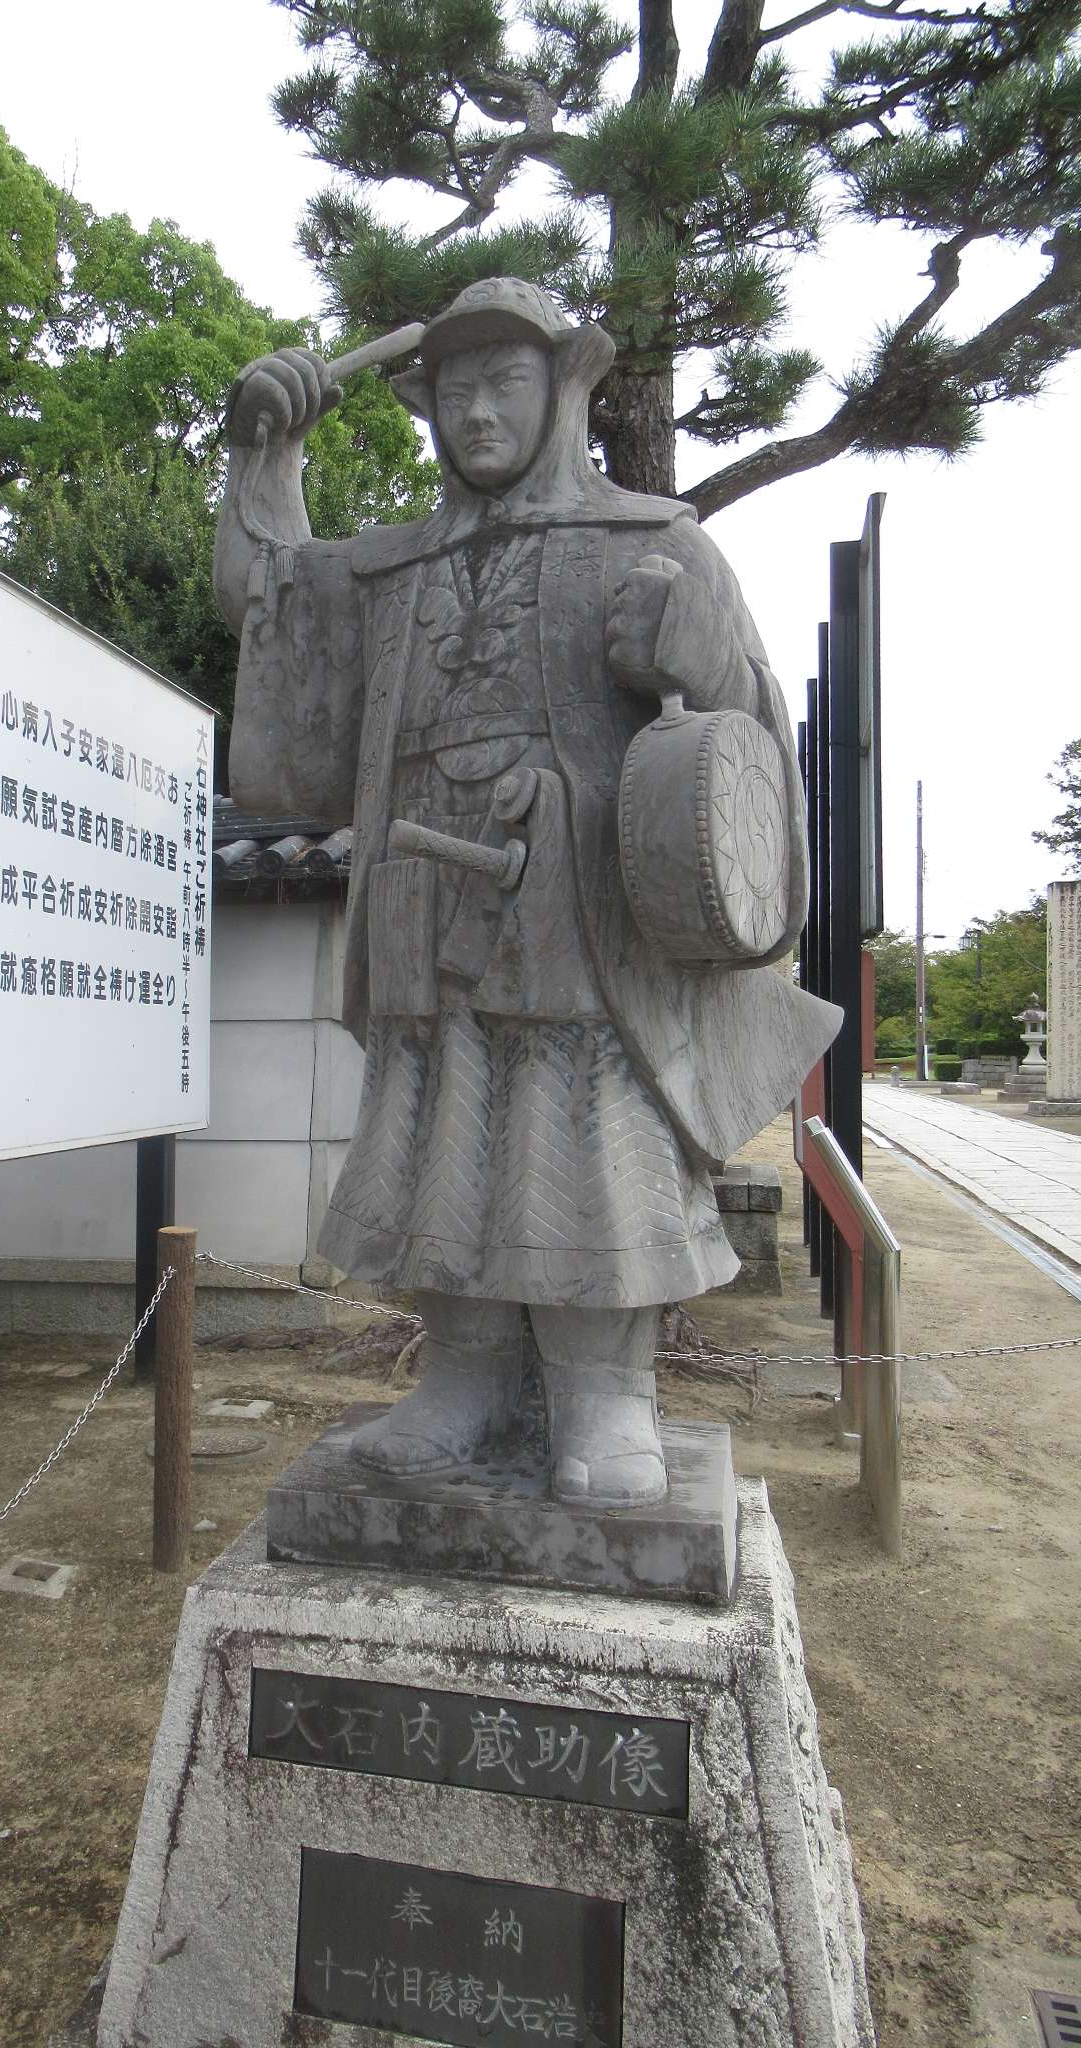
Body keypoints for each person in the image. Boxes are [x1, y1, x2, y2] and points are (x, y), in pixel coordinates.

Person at [214, 278, 838, 1508]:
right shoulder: (394, 566)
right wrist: (264, 459)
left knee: (586, 1129)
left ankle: (607, 1392)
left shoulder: (655, 540)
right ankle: (464, 1379)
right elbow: (269, 609)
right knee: (438, 1123)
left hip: (579, 907)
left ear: (567, 386)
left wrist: (701, 655)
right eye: (455, 390)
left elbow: (756, 746)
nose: (479, 412)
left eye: (505, 383)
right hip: (421, 884)